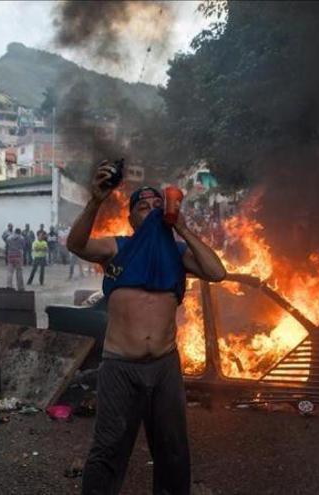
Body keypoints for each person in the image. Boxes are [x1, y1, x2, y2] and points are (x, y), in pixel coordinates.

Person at [68, 161, 227, 495]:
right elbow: (76, 244)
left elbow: (217, 272)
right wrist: (96, 201)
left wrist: (182, 227)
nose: (153, 212)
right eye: (143, 207)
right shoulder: (117, 248)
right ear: (131, 219)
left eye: (159, 206)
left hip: (165, 366)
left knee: (172, 450)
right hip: (120, 367)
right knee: (109, 448)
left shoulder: (179, 252)